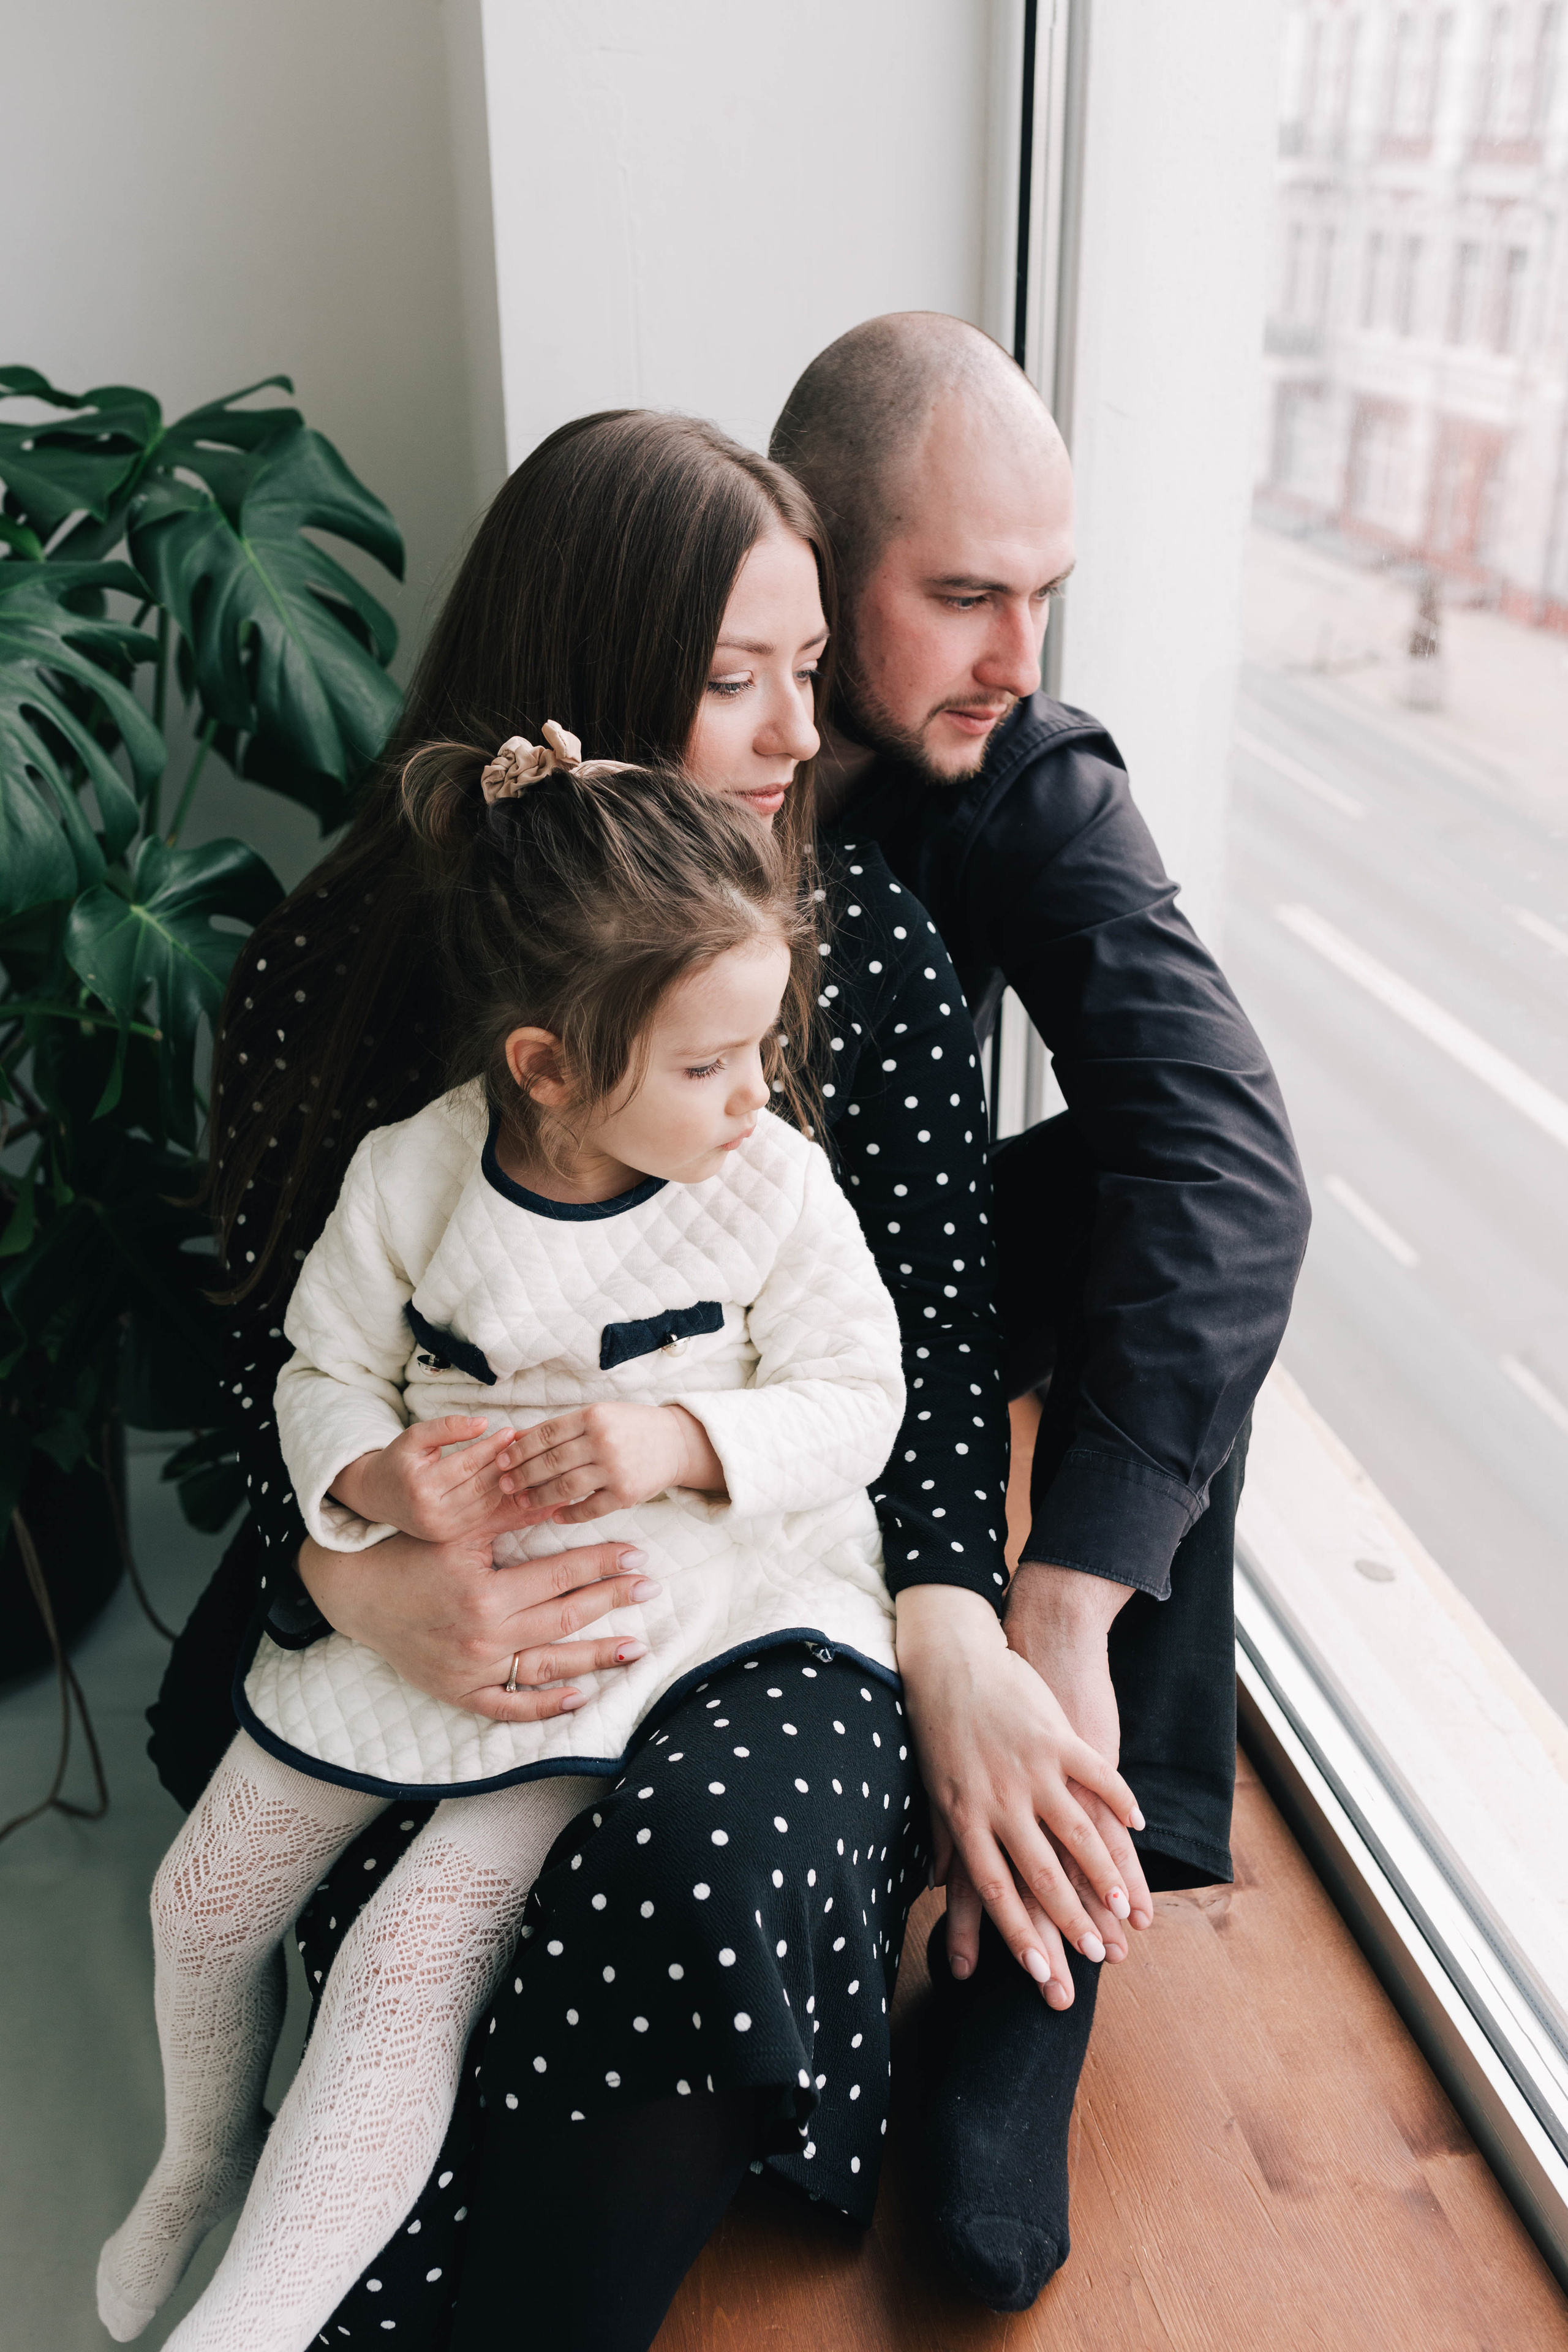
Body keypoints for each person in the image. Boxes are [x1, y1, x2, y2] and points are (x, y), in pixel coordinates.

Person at [146, 410, 1146, 2350]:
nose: (798, 736)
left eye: (807, 673)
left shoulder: (857, 958)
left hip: (761, 1586)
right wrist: (368, 1579)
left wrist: (958, 1633)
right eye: (734, 679)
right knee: (380, 1927)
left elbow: (921, 1380)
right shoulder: (333, 974)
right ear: (586, 680)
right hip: (425, 1592)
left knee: (695, 1867)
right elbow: (276, 1361)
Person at [771, 311, 1311, 2307]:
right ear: (812, 563)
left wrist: (1060, 1607)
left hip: (903, 1274)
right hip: (671, 1318)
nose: (1022, 653)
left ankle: (1051, 1911)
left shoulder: (1014, 761)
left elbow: (1226, 1155)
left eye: (1046, 595)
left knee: (1175, 1207)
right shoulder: (650, 708)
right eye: (966, 596)